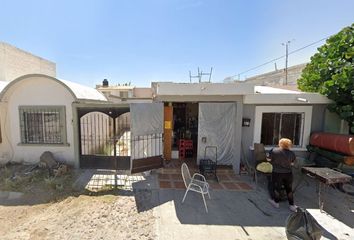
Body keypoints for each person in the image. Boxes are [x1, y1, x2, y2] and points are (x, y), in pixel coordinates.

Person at [268, 138, 297, 212]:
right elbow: (292, 163)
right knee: (289, 189)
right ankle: (292, 205)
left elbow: (268, 160)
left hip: (277, 173)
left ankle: (276, 202)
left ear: (280, 144)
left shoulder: (274, 150)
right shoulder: (292, 153)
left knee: (277, 188)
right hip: (288, 173)